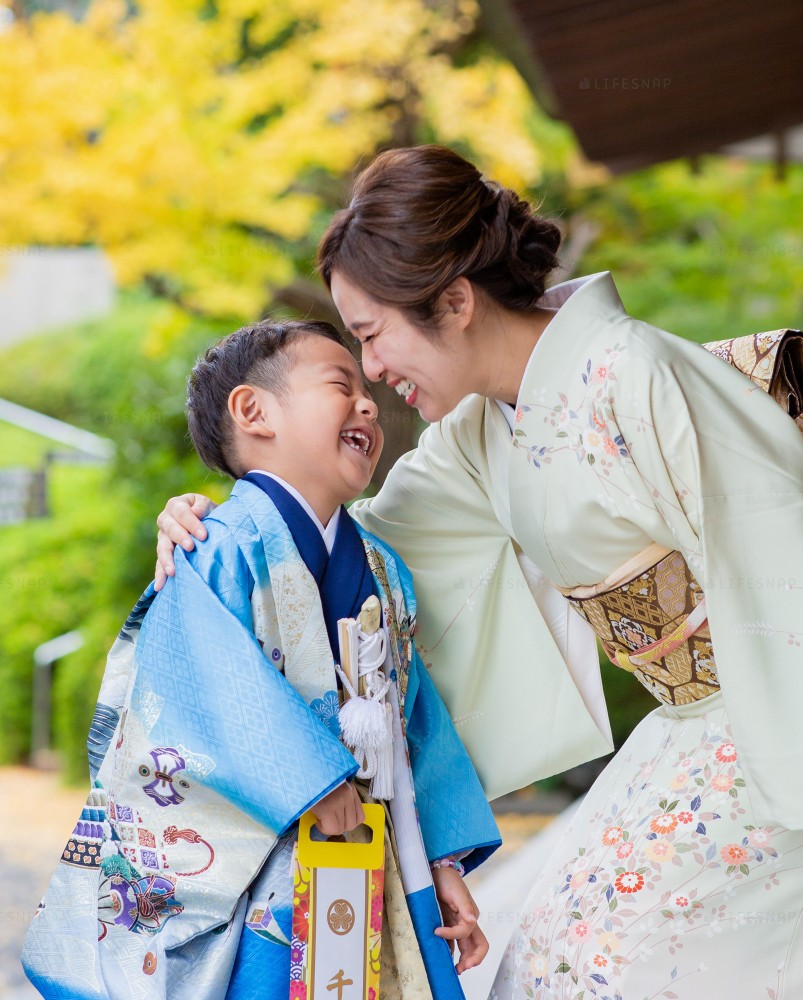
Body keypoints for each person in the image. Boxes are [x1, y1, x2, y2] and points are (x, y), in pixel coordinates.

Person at [154, 146, 803, 999]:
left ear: (454, 301)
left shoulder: (643, 375)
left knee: (595, 970)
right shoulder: (483, 432)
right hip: (698, 720)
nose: (372, 371)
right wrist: (227, 530)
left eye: (371, 336)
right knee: (548, 965)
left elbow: (779, 574)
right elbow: (345, 559)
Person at [22, 319, 499, 1000]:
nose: (368, 403)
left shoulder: (381, 567)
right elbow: (200, 686)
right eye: (342, 385)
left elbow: (416, 719)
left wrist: (444, 858)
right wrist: (315, 782)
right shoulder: (216, 547)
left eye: (368, 392)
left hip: (384, 849)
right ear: (253, 411)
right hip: (272, 864)